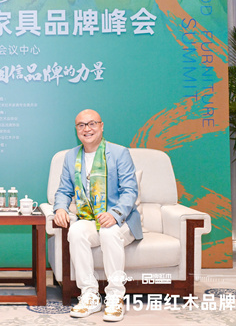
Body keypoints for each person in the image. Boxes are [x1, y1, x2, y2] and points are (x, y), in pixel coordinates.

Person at [53, 109, 142, 322]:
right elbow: (64, 190)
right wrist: (60, 208)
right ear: (76, 130)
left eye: (92, 123)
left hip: (121, 220)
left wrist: (115, 214)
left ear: (101, 126)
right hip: (90, 219)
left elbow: (130, 190)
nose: (87, 129)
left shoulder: (119, 153)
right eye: (81, 125)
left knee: (109, 232)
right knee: (76, 231)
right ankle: (89, 295)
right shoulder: (71, 156)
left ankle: (115, 297)